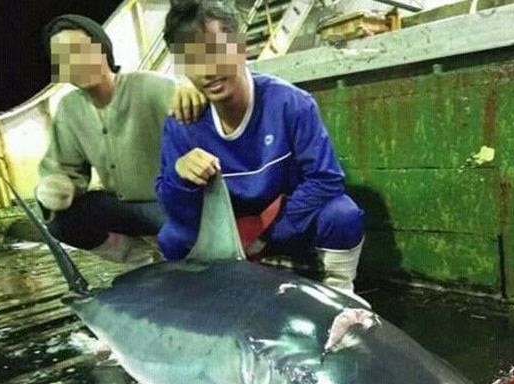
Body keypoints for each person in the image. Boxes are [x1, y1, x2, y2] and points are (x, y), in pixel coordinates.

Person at [157, 0, 365, 293]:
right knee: (172, 237)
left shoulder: (291, 103)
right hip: (227, 234)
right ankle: (200, 303)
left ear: (240, 47)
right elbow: (175, 209)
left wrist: (267, 234)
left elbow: (326, 179)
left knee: (342, 215)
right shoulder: (182, 123)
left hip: (282, 223)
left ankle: (340, 293)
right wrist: (180, 176)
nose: (207, 71)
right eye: (191, 61)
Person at [36, 14, 206, 263]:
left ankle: (181, 252)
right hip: (125, 209)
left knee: (185, 237)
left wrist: (194, 89)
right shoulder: (69, 109)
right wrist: (56, 186)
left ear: (103, 49)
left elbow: (201, 112)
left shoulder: (153, 87)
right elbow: (62, 169)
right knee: (63, 223)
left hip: (172, 205)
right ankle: (142, 258)